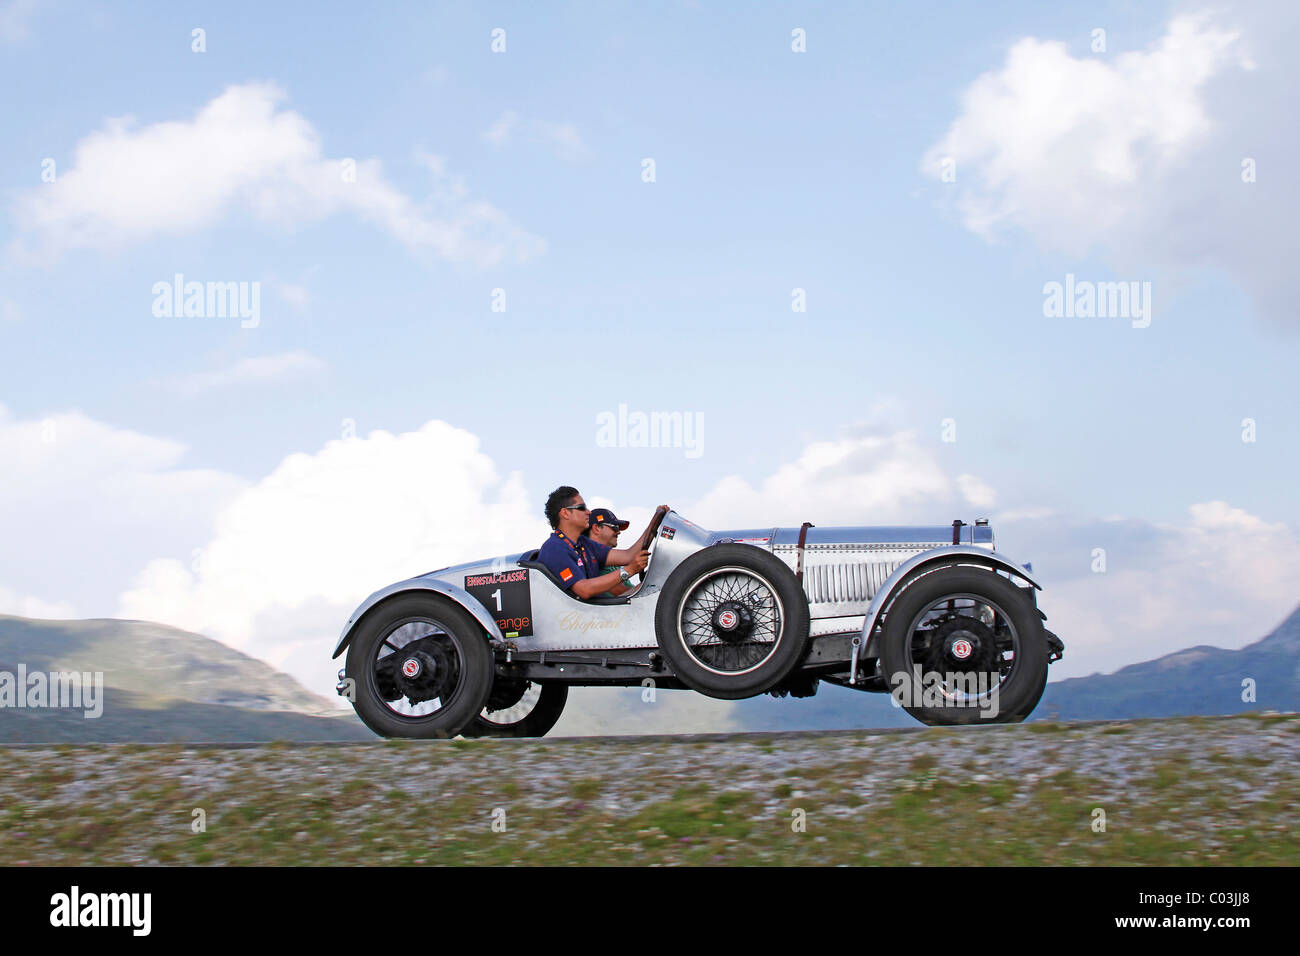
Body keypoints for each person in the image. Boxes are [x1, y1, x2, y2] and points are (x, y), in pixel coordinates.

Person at [538, 486, 665, 600]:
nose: (588, 512)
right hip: (581, 621)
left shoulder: (583, 543)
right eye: (582, 508)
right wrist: (629, 570)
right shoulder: (554, 548)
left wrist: (654, 524)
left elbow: (629, 556)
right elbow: (583, 590)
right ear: (565, 513)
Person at [586, 507, 634, 596]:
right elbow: (626, 594)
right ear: (596, 528)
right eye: (615, 527)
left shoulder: (613, 564)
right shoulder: (592, 560)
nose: (619, 532)